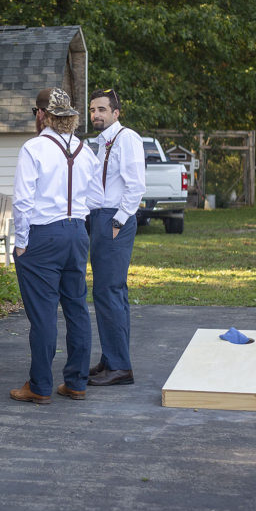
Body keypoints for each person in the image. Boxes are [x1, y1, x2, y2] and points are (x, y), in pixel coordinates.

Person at [10, 88, 102, 404]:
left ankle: (39, 386)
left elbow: (22, 201)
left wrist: (21, 242)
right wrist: (75, 213)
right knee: (76, 306)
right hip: (77, 232)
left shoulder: (34, 148)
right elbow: (97, 197)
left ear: (41, 114)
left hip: (43, 236)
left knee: (44, 312)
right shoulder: (84, 150)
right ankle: (76, 381)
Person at [86, 88, 146, 387]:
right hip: (99, 218)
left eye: (101, 109)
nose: (96, 114)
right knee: (106, 292)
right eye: (92, 109)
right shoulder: (100, 143)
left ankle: (120, 367)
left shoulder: (127, 139)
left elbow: (136, 186)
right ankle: (111, 358)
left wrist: (118, 221)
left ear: (116, 113)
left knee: (110, 292)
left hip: (114, 220)